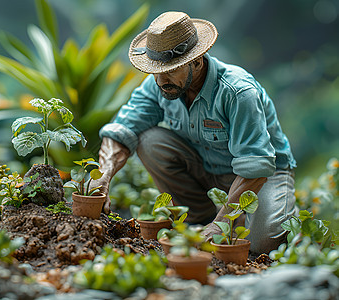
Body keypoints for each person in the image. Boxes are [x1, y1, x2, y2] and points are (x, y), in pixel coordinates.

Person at [92, 11, 297, 254]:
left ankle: (268, 212)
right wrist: (102, 178)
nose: (160, 80)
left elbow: (256, 167)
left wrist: (221, 225)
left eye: (171, 70)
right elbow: (121, 130)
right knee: (149, 141)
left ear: (197, 61)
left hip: (261, 178)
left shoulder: (238, 93)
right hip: (207, 172)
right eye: (156, 70)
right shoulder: (159, 84)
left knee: (264, 243)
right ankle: (202, 220)